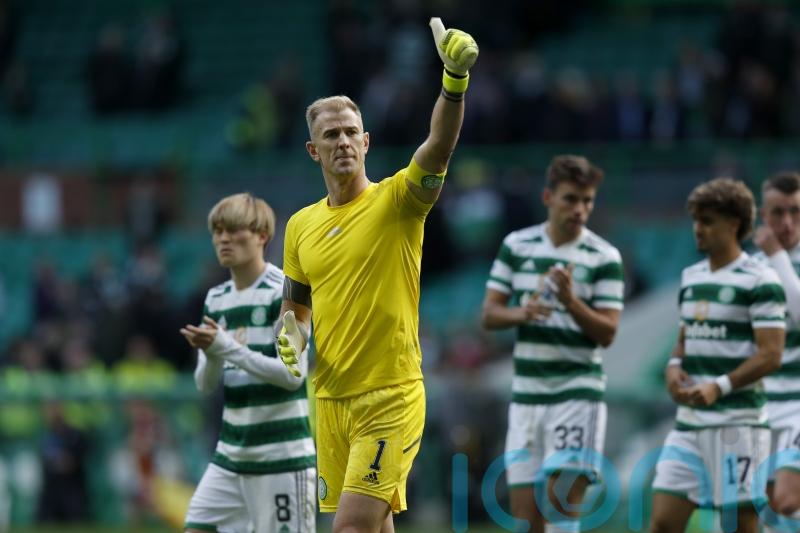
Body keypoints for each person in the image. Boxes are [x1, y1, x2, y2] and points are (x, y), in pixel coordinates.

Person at [274, 17, 478, 533]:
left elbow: (438, 145)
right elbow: (296, 311)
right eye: (330, 135)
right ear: (312, 151)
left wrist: (453, 81)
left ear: (365, 142)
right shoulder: (300, 226)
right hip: (330, 400)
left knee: (350, 529)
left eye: (350, 133)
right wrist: (291, 339)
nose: (342, 142)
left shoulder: (399, 201)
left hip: (390, 395)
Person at [480, 155, 624, 533]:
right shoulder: (518, 245)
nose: (580, 209)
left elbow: (608, 332)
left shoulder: (604, 257)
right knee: (527, 519)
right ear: (548, 197)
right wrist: (523, 313)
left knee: (561, 506)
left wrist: (571, 301)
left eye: (587, 201)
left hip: (576, 393)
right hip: (527, 396)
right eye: (571, 199)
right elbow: (489, 315)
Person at [651, 178, 785, 533]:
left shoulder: (761, 279)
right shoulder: (691, 276)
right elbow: (685, 338)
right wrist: (673, 366)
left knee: (738, 526)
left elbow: (771, 354)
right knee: (663, 522)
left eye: (707, 221)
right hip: (690, 423)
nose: (698, 229)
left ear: (734, 224)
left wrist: (719, 386)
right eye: (696, 220)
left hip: (738, 424)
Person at [180, 193, 316, 533]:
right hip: (232, 456)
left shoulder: (288, 293)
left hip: (281, 458)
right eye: (217, 231)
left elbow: (293, 375)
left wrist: (227, 347)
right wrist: (212, 353)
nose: (223, 239)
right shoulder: (216, 298)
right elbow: (205, 383)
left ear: (262, 237)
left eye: (234, 229)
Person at [753, 172, 800, 530]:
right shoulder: (748, 269)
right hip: (760, 405)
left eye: (796, 212)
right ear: (761, 215)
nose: (787, 222)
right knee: (767, 510)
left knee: (788, 499)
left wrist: (778, 256)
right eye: (778, 212)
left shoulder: (778, 261)